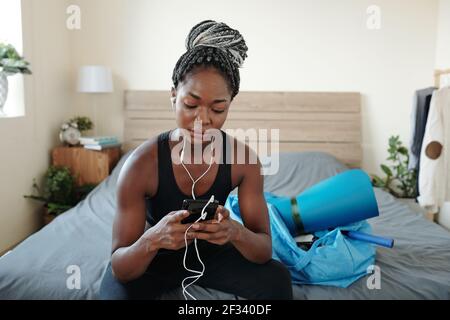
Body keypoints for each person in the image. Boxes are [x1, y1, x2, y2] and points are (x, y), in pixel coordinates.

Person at [99, 20, 293, 300]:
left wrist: (235, 232)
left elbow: (263, 250)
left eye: (218, 108)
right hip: (154, 258)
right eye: (191, 105)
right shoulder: (141, 165)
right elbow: (121, 266)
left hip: (214, 255)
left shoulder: (243, 162)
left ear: (229, 104)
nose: (203, 120)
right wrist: (153, 239)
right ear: (173, 96)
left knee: (277, 279)